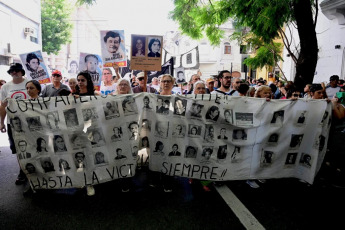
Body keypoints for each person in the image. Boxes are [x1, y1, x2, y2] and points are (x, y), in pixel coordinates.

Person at [0, 63, 29, 185]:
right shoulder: (5, 87)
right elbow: (3, 106)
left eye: (16, 70)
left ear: (22, 72)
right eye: (12, 71)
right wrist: (1, 123)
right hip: (13, 123)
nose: (14, 73)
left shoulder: (29, 83)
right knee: (18, 149)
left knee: (32, 145)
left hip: (29, 122)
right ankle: (22, 171)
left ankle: (34, 170)